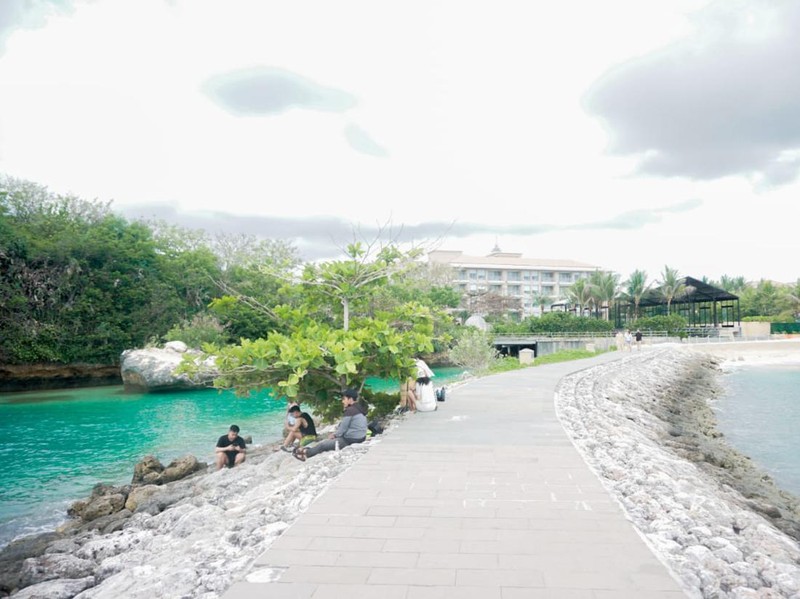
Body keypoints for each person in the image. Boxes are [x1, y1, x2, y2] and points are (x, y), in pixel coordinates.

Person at [293, 388, 367, 461]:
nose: (342, 401)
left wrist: (334, 435)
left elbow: (343, 429)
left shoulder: (350, 410)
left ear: (350, 399)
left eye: (344, 399)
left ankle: (306, 453)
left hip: (351, 440)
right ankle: (309, 450)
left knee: (323, 445)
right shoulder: (358, 408)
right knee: (327, 442)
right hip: (361, 437)